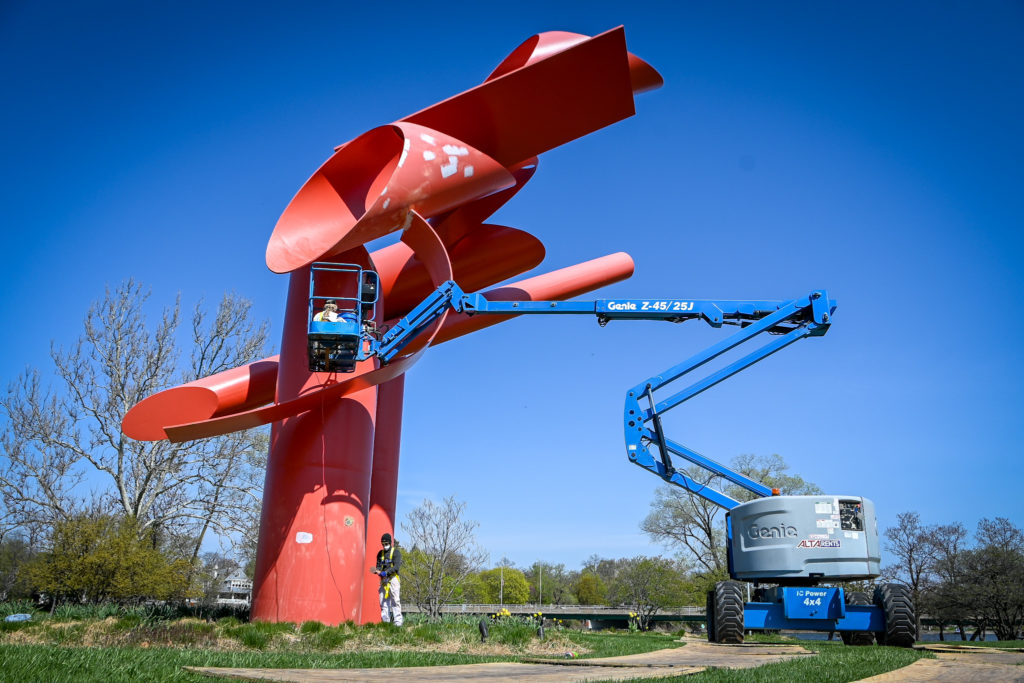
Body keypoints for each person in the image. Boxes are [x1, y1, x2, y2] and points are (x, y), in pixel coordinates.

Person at [371, 533, 403, 625]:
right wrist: (377, 571)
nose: (384, 546)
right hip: (383, 580)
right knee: (383, 601)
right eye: (383, 544)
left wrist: (386, 572)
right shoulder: (380, 554)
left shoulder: (396, 553)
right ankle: (385, 622)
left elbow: (396, 567)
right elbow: (378, 566)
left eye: (386, 544)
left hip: (393, 578)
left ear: (390, 543)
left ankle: (398, 622)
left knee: (395, 600)